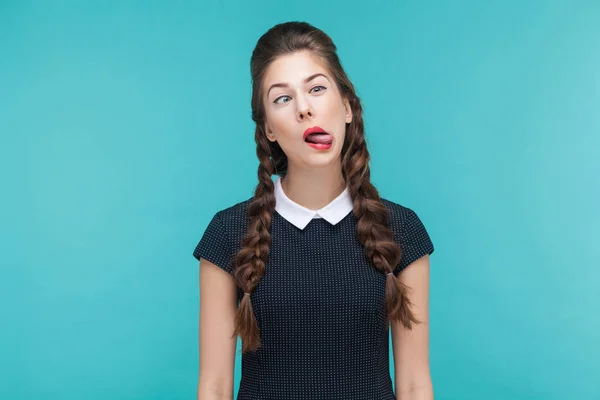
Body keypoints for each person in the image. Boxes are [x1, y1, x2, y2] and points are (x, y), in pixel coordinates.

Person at [193, 21, 435, 400]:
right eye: (282, 99)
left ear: (348, 107)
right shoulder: (228, 233)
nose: (304, 109)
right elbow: (215, 385)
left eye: (317, 89)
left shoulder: (401, 230)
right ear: (269, 129)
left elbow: (415, 384)